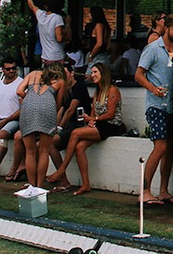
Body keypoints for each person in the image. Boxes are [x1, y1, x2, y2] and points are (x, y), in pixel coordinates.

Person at [135, 15, 173, 206]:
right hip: (156, 105)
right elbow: (138, 75)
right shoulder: (153, 48)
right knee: (161, 146)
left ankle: (163, 191)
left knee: (170, 148)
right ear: (166, 29)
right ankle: (144, 191)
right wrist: (153, 89)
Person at [51, 63, 123, 195]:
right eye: (92, 72)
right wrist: (90, 120)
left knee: (75, 133)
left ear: (103, 74)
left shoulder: (112, 90)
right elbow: (93, 112)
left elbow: (110, 114)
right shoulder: (97, 91)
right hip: (99, 124)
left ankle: (62, 169)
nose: (92, 75)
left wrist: (94, 119)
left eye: (95, 72)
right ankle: (86, 184)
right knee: (79, 147)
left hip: (111, 125)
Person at [17, 62, 67, 189]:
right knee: (44, 151)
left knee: (30, 151)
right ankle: (39, 185)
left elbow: (19, 91)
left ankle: (31, 185)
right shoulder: (60, 81)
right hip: (47, 108)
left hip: (28, 107)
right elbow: (58, 103)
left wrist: (31, 98)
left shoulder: (33, 74)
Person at [25, 0, 66, 67]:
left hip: (45, 56)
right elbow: (59, 38)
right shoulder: (57, 18)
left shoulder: (41, 15)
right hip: (56, 56)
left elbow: (32, 6)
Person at [86, 6, 112, 70]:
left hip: (97, 56)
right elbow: (108, 45)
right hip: (105, 56)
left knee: (89, 74)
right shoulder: (106, 27)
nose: (89, 15)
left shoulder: (98, 26)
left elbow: (99, 43)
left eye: (90, 13)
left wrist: (91, 55)